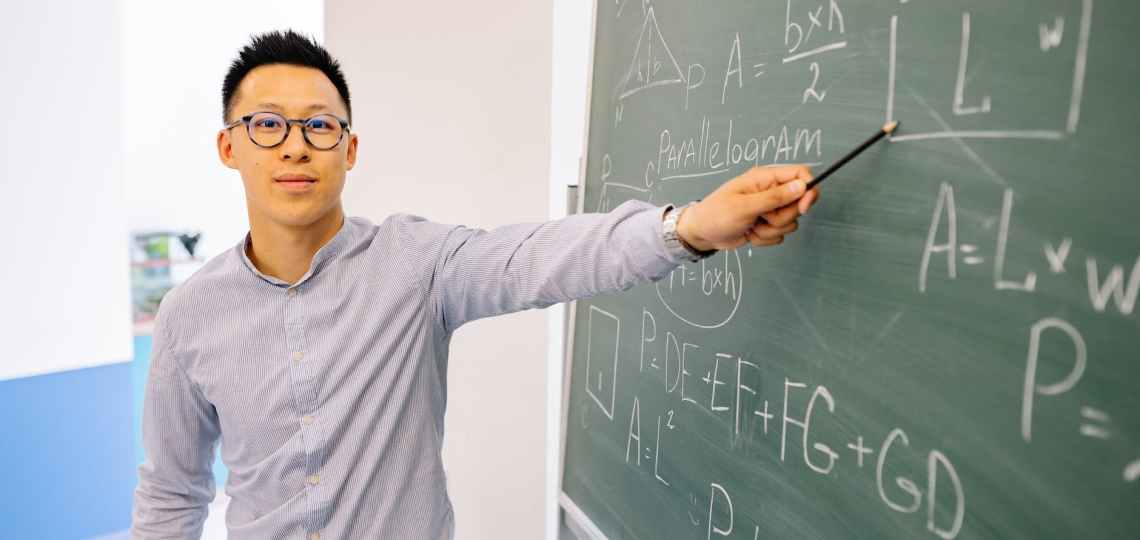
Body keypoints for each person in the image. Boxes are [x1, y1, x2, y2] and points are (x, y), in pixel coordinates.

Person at [130, 29, 820, 539]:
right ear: (230, 146)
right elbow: (170, 494)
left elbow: (537, 256)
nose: (295, 145)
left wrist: (691, 226)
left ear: (350, 148)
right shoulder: (191, 315)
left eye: (319, 125)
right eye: (268, 125)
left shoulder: (414, 263)